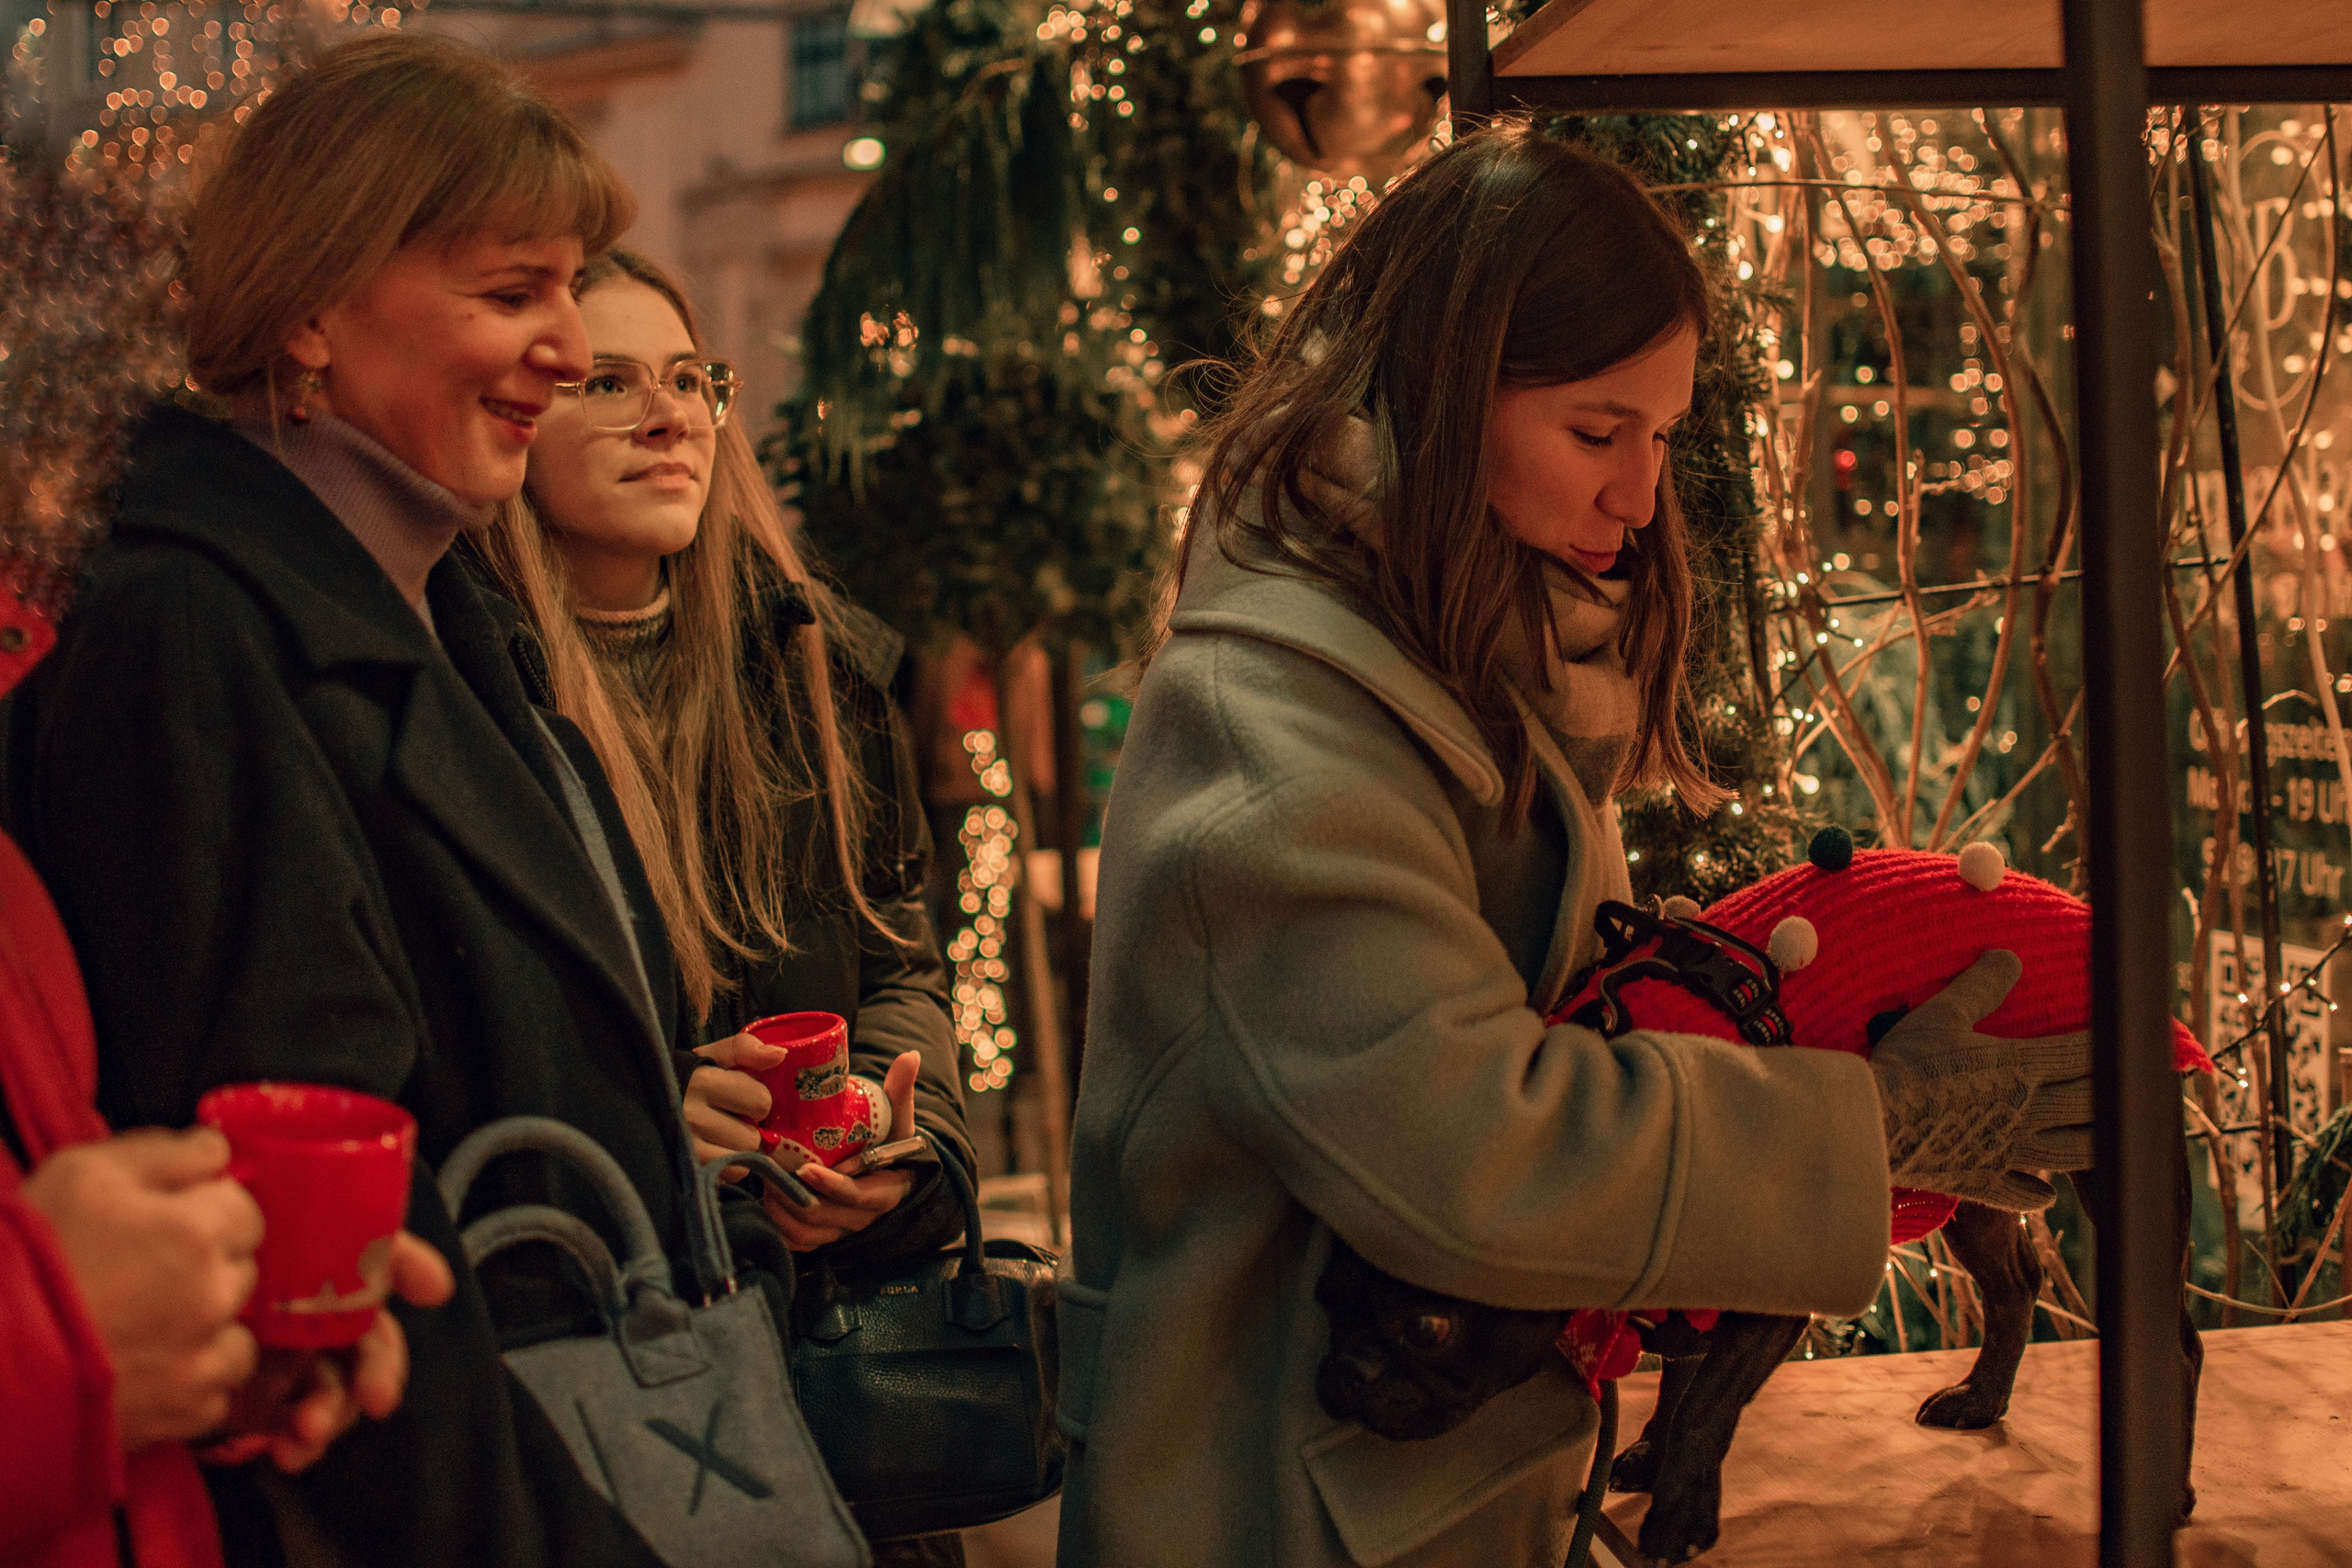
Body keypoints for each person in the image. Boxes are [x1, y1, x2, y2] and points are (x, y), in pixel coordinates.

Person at [1056, 120, 2096, 1568]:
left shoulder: (1455, 657)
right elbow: (1472, 1149)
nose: (1640, 492)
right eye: (1596, 432)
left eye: (1663, 436)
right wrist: (1874, 1126)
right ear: (1435, 393)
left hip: (1416, 1483)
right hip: (1274, 1502)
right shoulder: (1277, 726)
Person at [4, 34, 773, 1568]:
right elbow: (324, 1260)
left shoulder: (443, 606)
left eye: (571, 288)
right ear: (307, 315)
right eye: (512, 294)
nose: (565, 347)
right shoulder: (194, 637)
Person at [471, 248, 974, 1567]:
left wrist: (898, 1139)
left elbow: (900, 957)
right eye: (609, 381)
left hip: (838, 1367)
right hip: (617, 1377)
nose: (672, 415)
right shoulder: (472, 700)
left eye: (692, 379)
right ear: (516, 416)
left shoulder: (811, 659)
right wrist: (646, 1117)